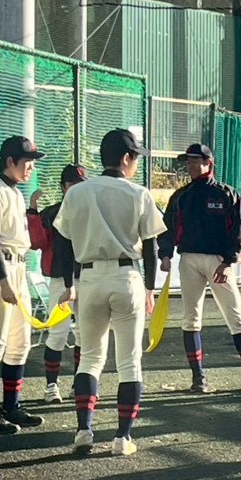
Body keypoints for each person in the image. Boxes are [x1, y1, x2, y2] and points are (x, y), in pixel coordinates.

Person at [54, 129, 167, 456]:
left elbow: (62, 241)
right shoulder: (138, 193)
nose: (136, 163)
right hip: (126, 276)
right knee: (129, 361)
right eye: (135, 157)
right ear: (126, 158)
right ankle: (122, 438)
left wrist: (69, 284)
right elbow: (151, 247)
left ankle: (84, 431)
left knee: (90, 358)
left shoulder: (76, 192)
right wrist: (150, 288)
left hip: (88, 278)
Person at [158, 143, 241, 394]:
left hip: (219, 261)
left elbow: (239, 231)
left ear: (208, 163)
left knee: (236, 317)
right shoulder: (181, 196)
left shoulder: (226, 193)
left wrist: (228, 261)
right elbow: (167, 227)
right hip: (188, 260)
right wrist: (165, 254)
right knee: (191, 318)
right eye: (187, 161)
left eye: (194, 160)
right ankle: (198, 378)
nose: (189, 165)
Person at [0, 136, 47, 437]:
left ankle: (11, 407)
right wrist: (3, 281)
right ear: (9, 161)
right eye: (27, 161)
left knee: (19, 343)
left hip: (17, 267)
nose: (31, 167)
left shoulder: (14, 192)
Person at [27, 163, 87, 404]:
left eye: (80, 183)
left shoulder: (91, 210)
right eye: (72, 183)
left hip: (88, 277)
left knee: (85, 334)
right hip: (60, 279)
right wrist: (32, 211)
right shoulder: (51, 213)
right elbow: (36, 243)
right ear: (63, 186)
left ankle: (79, 385)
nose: (76, 187)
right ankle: (51, 386)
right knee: (57, 333)